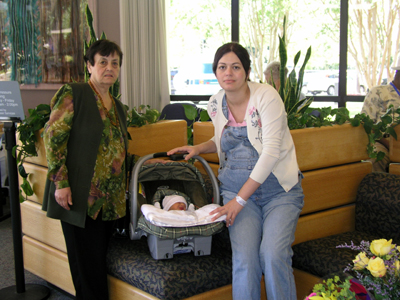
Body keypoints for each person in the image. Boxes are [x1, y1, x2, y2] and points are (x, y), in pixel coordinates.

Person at [167, 42, 304, 300]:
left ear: (247, 71)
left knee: (273, 255)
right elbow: (223, 140)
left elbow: (271, 152)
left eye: (235, 67)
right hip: (236, 192)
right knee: (245, 260)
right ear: (216, 72)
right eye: (222, 67)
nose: (228, 73)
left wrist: (238, 201)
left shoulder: (267, 97)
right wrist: (198, 148)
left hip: (279, 193)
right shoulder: (216, 103)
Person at [42, 39, 128, 300]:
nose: (109, 68)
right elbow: (53, 137)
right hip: (80, 197)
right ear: (90, 66)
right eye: (102, 62)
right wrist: (61, 182)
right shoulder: (74, 93)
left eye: (114, 63)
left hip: (109, 202)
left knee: (96, 265)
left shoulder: (119, 108)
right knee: (86, 270)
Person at [361, 56, 400, 172]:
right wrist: (391, 146)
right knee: (377, 157)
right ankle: (377, 189)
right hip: (382, 142)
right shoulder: (378, 92)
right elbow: (367, 124)